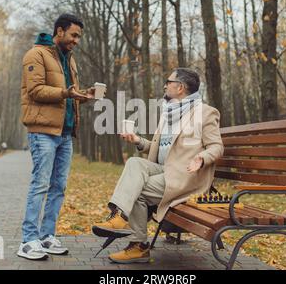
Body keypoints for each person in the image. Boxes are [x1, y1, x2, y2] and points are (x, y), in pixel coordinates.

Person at [92, 68, 224, 264]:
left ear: (180, 87)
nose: (165, 85)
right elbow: (161, 149)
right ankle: (120, 217)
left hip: (186, 177)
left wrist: (202, 158)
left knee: (138, 190)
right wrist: (138, 141)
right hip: (164, 171)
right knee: (134, 162)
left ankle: (138, 245)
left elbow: (217, 146)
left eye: (168, 81)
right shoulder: (169, 112)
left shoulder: (205, 113)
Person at [18, 13, 96, 260]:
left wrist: (82, 95)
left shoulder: (70, 60)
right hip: (43, 131)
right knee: (40, 185)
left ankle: (47, 236)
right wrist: (66, 92)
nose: (76, 40)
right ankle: (28, 241)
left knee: (58, 187)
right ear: (59, 31)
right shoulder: (36, 54)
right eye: (73, 35)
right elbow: (36, 90)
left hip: (65, 133)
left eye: (79, 37)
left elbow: (67, 94)